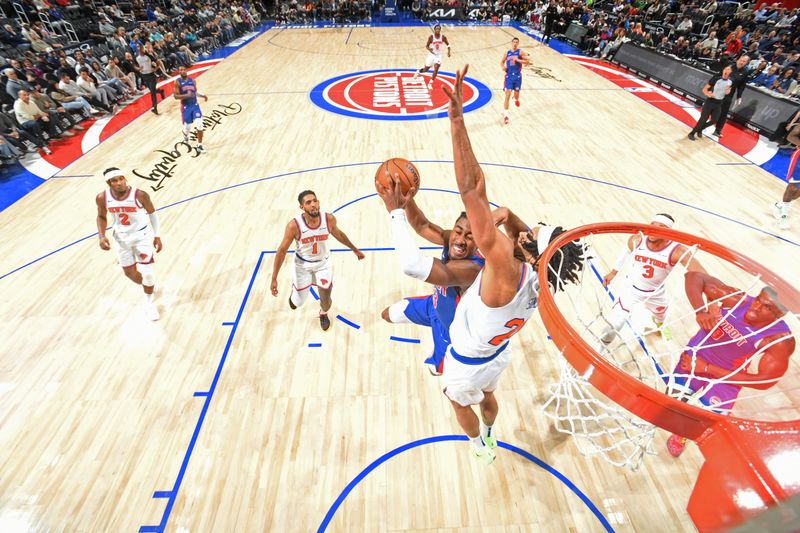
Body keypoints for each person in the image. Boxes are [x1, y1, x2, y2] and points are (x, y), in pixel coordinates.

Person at [438, 65, 585, 464]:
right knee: (488, 397)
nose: (527, 227)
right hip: (497, 354)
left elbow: (471, 188)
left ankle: (477, 444)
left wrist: (456, 122)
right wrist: (514, 223)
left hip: (467, 360)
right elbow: (515, 224)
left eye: (534, 231)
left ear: (532, 247)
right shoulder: (539, 276)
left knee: (456, 402)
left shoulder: (503, 262)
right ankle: (490, 433)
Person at [666, 271, 795, 457]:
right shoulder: (737, 300)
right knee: (672, 407)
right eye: (758, 299)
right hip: (696, 357)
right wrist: (701, 311)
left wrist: (708, 369)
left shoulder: (779, 340)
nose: (756, 306)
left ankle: (681, 436)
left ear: (778, 316)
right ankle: (679, 428)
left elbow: (764, 381)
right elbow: (693, 277)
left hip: (727, 376)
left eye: (765, 307)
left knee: (701, 424)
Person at [375, 189, 485, 376]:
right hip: (433, 305)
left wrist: (396, 213)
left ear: (479, 242)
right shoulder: (452, 239)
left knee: (435, 370)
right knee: (387, 314)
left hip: (449, 331)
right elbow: (422, 225)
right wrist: (407, 201)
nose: (460, 240)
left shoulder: (472, 269)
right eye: (458, 231)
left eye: (469, 236)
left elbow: (411, 265)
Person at [601, 214, 704, 344]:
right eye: (652, 225)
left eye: (661, 226)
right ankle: (600, 349)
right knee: (615, 324)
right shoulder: (637, 240)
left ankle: (659, 326)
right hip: (631, 290)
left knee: (661, 316)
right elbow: (625, 252)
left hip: (655, 293)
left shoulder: (677, 251)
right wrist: (613, 272)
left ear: (669, 232)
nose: (654, 229)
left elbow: (702, 274)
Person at [270, 190, 365, 330]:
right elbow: (281, 250)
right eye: (308, 202)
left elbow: (338, 234)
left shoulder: (328, 219)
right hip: (302, 266)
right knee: (297, 303)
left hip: (323, 263)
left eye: (315, 200)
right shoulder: (294, 226)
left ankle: (323, 313)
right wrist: (274, 278)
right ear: (302, 207)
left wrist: (354, 249)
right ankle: (295, 294)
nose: (313, 204)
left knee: (326, 298)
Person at [95, 167, 163, 321]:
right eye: (114, 180)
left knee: (148, 274)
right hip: (121, 239)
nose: (119, 183)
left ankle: (148, 302)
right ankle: (148, 287)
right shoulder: (102, 198)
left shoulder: (139, 194)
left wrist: (157, 236)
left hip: (142, 237)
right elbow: (100, 216)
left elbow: (152, 213)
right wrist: (101, 236)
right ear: (109, 183)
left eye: (121, 178)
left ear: (125, 178)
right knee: (130, 274)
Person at [687, 64, 733, 141]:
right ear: (723, 70)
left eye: (728, 69)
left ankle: (700, 129)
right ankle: (692, 133)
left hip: (719, 103)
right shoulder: (716, 79)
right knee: (703, 119)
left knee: (714, 120)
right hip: (710, 102)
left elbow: (727, 93)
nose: (726, 71)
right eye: (725, 69)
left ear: (731, 72)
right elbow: (704, 89)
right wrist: (709, 94)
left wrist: (728, 91)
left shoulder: (730, 82)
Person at [712, 55, 750, 138]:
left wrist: (739, 96)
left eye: (744, 61)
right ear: (737, 60)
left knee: (723, 114)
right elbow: (716, 77)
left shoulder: (745, 72)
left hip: (729, 95)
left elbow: (741, 85)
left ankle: (717, 130)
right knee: (711, 110)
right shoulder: (729, 67)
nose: (742, 62)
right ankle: (702, 125)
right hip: (718, 92)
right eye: (741, 60)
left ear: (746, 63)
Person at [174, 65, 208, 154]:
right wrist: (186, 96)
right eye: (181, 70)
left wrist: (203, 95)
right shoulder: (177, 82)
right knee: (187, 128)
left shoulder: (192, 80)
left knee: (200, 124)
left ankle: (199, 145)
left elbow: (195, 92)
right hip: (186, 107)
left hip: (195, 105)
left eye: (184, 69)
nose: (183, 71)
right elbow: (175, 96)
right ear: (179, 72)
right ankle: (185, 135)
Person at [500, 37, 530, 125]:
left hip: (517, 77)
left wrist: (518, 60)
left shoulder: (520, 52)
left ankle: (516, 98)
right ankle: (506, 115)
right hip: (509, 77)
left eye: (517, 42)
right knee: (507, 96)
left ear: (518, 43)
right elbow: (501, 62)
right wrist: (503, 67)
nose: (515, 44)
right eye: (514, 42)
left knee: (516, 95)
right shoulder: (507, 53)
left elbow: (527, 62)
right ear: (511, 43)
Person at [412, 24, 450, 90]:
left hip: (438, 55)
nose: (438, 30)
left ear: (440, 30)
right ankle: (418, 71)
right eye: (436, 29)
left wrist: (449, 51)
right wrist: (429, 49)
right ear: (434, 30)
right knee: (426, 69)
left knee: (436, 68)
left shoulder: (443, 37)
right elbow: (426, 46)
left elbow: (448, 44)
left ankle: (430, 83)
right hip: (431, 55)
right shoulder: (431, 37)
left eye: (439, 29)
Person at [136, 44, 165, 114]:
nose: (139, 49)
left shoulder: (148, 56)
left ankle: (155, 108)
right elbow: (136, 66)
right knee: (153, 91)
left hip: (151, 75)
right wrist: (139, 69)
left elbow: (158, 61)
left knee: (152, 93)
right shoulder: (136, 58)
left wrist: (156, 68)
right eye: (137, 47)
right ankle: (161, 92)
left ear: (142, 48)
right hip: (144, 76)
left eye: (140, 47)